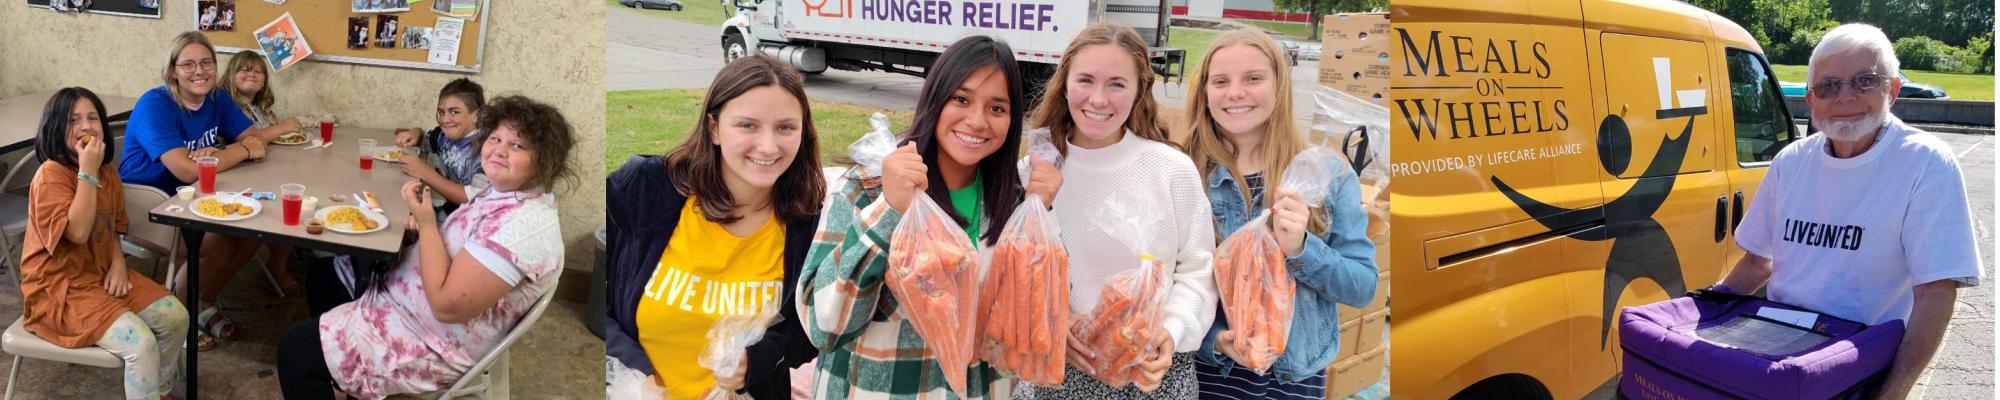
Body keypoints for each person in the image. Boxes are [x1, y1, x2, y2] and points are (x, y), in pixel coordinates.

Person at [1717, 23, 1981, 400]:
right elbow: (1758, 262)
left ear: (1892, 89)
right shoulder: (1790, 161)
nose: (1844, 97)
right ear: (1810, 100)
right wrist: (1702, 313)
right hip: (1776, 352)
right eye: (1828, 86)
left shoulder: (1925, 163)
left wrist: (1894, 391)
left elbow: (1935, 292)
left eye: (1864, 81)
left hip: (1861, 364)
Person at [798, 35, 1056, 399]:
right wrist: (890, 211)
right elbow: (822, 326)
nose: (977, 121)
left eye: (997, 108)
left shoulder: (1013, 203)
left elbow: (1033, 323)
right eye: (961, 99)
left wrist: (1040, 218)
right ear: (935, 98)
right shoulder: (870, 187)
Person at [274, 95, 574, 399]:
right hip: (404, 304)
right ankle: (347, 374)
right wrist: (419, 237)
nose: (499, 150)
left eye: (517, 145)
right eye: (495, 138)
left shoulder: (522, 228)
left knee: (296, 351)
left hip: (431, 341)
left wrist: (428, 224)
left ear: (545, 160)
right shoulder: (502, 194)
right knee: (324, 276)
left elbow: (447, 306)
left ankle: (343, 364)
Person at [605, 54, 825, 400]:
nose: (768, 146)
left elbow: (811, 328)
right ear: (714, 128)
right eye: (747, 125)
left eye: (785, 127)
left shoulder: (808, 223)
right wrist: (637, 375)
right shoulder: (643, 192)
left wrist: (757, 361)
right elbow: (599, 299)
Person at [1178, 29, 1377, 399]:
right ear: (1205, 93)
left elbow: (1363, 287)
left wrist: (1302, 247)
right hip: (1205, 379)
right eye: (1220, 81)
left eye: (1253, 78)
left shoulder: (1327, 175)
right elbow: (1163, 284)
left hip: (1292, 382)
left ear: (1279, 86)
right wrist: (1214, 340)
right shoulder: (1184, 171)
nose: (1235, 93)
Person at [1024, 21, 1215, 399]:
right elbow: (1019, 273)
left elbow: (1198, 268)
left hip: (1152, 373)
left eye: (1116, 84)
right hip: (1063, 370)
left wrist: (1172, 331)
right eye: (1085, 80)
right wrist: (1052, 323)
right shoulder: (1034, 172)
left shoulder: (1170, 168)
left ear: (1140, 89)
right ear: (1064, 83)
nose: (1098, 99)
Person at [120, 31, 294, 351]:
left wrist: (218, 154)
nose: (199, 71)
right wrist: (236, 152)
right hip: (147, 205)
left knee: (252, 231)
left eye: (206, 63)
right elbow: (187, 169)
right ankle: (176, 317)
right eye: (188, 64)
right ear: (172, 70)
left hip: (196, 195)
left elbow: (253, 136)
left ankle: (202, 301)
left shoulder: (216, 98)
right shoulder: (154, 104)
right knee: (217, 238)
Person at [23, 88, 191, 400]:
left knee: (175, 316)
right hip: (58, 289)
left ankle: (159, 390)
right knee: (140, 344)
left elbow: (111, 227)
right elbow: (77, 232)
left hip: (99, 272)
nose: (86, 126)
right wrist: (87, 171)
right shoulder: (51, 175)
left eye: (92, 118)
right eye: (73, 120)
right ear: (54, 128)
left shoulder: (108, 172)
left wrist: (118, 263)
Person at [219, 50, 306, 294]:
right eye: (245, 69)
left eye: (258, 71)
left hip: (262, 171)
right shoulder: (228, 106)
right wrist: (283, 127)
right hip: (238, 179)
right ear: (231, 74)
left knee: (290, 195)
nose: (252, 74)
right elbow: (252, 140)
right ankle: (276, 266)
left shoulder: (260, 109)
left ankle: (278, 263)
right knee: (279, 205)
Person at [392, 78, 488, 221]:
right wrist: (414, 133)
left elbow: (474, 198)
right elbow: (423, 136)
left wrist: (424, 172)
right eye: (441, 112)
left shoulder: (488, 150)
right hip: (448, 214)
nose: (445, 120)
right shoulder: (443, 136)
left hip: (472, 224)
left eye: (454, 112)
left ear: (476, 115)